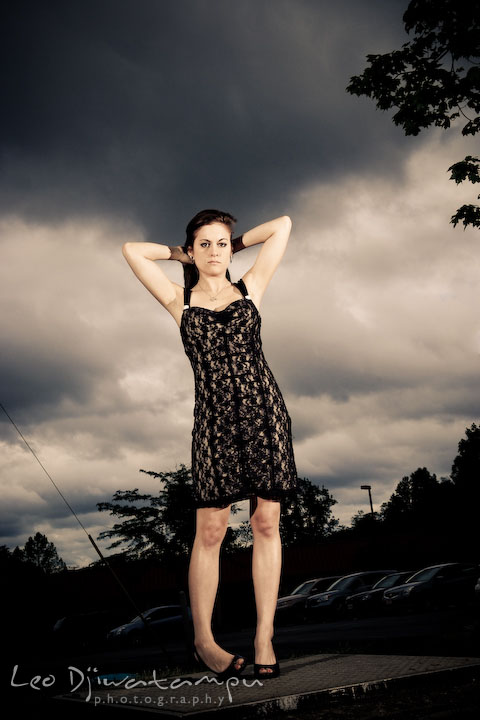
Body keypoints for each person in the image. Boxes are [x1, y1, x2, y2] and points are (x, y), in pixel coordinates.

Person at [122, 210, 298, 680]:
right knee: (211, 532)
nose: (216, 252)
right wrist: (181, 253)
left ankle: (264, 637)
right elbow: (132, 251)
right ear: (192, 250)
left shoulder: (251, 288)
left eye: (222, 244)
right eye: (206, 244)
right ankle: (204, 642)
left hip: (264, 415)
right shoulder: (177, 299)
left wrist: (233, 244)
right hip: (215, 425)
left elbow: (281, 225)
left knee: (266, 522)